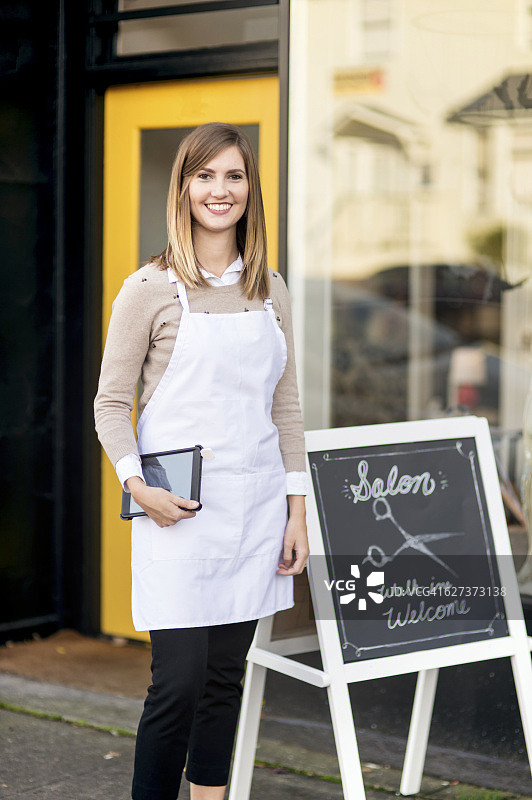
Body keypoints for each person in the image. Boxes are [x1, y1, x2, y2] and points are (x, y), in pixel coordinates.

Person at [94, 121, 310, 800]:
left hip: (255, 510)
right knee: (178, 684)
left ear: (251, 189)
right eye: (205, 176)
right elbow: (108, 405)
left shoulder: (270, 288)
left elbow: (287, 407)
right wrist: (137, 486)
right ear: (184, 188)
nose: (221, 190)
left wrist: (297, 510)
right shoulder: (148, 288)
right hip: (176, 513)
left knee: (225, 680)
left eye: (235, 176)